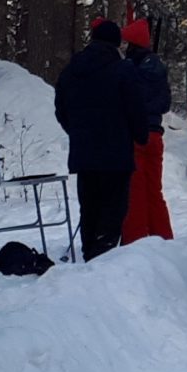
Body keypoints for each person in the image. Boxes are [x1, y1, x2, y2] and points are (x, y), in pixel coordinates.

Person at [53, 19, 140, 259]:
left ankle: (90, 255)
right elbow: (135, 107)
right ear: (116, 43)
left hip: (85, 152)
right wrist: (139, 135)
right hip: (116, 153)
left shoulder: (72, 69)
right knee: (113, 208)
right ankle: (104, 258)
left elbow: (60, 107)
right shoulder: (123, 69)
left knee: (89, 207)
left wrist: (77, 130)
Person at [120, 17, 174, 244]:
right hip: (155, 135)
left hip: (134, 135)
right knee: (154, 191)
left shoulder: (129, 69)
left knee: (134, 192)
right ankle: (163, 238)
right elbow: (165, 104)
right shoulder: (159, 69)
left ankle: (136, 242)